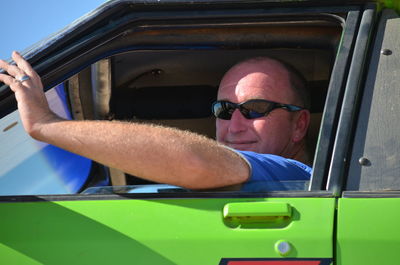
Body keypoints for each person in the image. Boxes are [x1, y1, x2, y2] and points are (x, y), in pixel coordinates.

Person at [0, 52, 311, 191]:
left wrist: (46, 125)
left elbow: (195, 162)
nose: (235, 124)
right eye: (225, 110)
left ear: (299, 124)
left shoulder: (295, 176)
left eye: (256, 108)